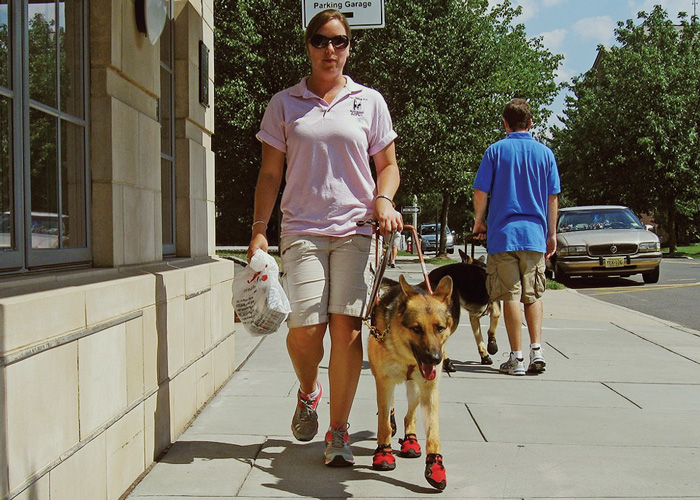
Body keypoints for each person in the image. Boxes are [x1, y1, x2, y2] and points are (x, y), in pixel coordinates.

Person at [247, 9, 402, 467]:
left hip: (357, 230)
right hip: (302, 230)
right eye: (320, 41)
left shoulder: (369, 101)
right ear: (308, 46)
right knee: (305, 331)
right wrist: (259, 231)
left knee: (346, 332)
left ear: (349, 46)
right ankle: (309, 389)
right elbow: (270, 173)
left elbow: (388, 165)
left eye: (338, 41)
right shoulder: (285, 103)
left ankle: (339, 432)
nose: (329, 50)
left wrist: (385, 200)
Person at [472, 98, 560, 376]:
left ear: (505, 124)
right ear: (531, 123)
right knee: (532, 294)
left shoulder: (495, 151)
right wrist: (552, 233)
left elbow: (480, 191)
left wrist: (478, 221)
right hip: (534, 235)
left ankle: (517, 358)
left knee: (510, 294)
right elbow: (552, 197)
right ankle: (537, 351)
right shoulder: (545, 154)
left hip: (503, 235)